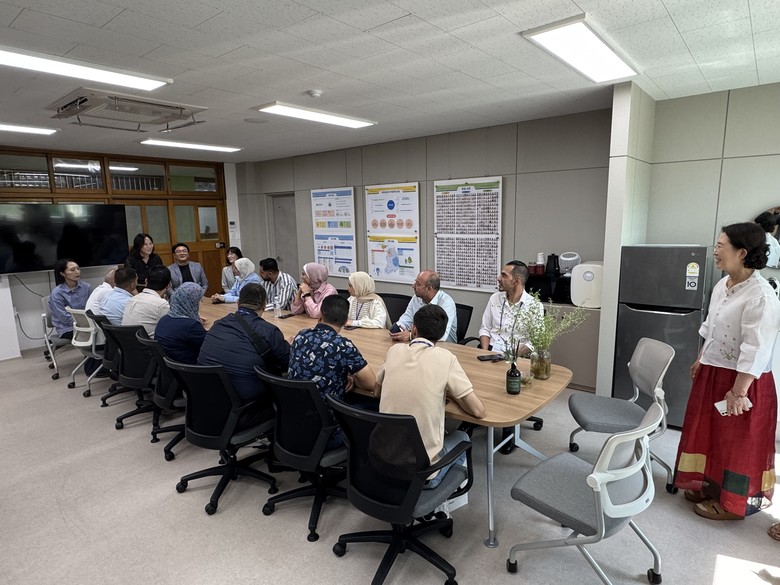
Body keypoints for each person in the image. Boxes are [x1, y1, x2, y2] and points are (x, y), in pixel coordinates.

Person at [674, 222, 780, 521]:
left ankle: (734, 503)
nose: (715, 251)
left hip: (743, 381)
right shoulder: (724, 284)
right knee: (710, 433)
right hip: (713, 371)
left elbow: (756, 349)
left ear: (742, 252)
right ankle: (709, 485)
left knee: (737, 442)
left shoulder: (761, 296)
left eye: (721, 246)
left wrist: (738, 392)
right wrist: (702, 358)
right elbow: (711, 327)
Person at [375, 304, 486, 489]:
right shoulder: (446, 358)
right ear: (441, 335)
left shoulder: (394, 351)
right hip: (422, 475)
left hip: (383, 462)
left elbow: (376, 392)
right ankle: (442, 500)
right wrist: (451, 394)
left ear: (414, 330)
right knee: (463, 437)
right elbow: (478, 411)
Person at [288, 295, 376, 447]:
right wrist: (349, 374)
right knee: (375, 407)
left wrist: (343, 372)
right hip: (328, 430)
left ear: (320, 316)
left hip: (294, 423)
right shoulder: (342, 346)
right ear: (345, 321)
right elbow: (371, 384)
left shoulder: (301, 336)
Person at [198, 283, 290, 429]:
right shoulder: (268, 331)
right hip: (246, 407)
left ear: (238, 303)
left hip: (208, 400)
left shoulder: (218, 324)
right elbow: (288, 363)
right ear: (264, 305)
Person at [478, 261, 542, 356]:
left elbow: (534, 341)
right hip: (491, 350)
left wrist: (510, 356)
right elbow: (485, 329)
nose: (499, 278)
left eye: (504, 275)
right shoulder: (495, 298)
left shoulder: (534, 305)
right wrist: (485, 353)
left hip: (517, 355)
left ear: (517, 281)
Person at [391, 270, 457, 343]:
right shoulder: (417, 298)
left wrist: (411, 336)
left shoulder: (446, 303)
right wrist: (398, 329)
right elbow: (407, 319)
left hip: (444, 346)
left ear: (429, 289)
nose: (413, 286)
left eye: (418, 284)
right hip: (419, 343)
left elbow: (442, 336)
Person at [155, 282, 207, 364]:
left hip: (169, 368)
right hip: (191, 369)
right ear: (192, 302)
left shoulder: (163, 319)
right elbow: (210, 346)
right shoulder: (191, 326)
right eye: (200, 300)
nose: (201, 303)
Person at [48, 258, 92, 340]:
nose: (77, 272)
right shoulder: (57, 293)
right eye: (72, 270)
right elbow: (63, 317)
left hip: (88, 324)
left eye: (78, 268)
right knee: (95, 334)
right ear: (62, 273)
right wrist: (84, 323)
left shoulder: (86, 287)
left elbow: (92, 307)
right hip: (67, 328)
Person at [122, 265, 171, 337]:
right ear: (169, 285)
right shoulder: (162, 305)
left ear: (146, 281)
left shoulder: (132, 299)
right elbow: (170, 331)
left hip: (126, 343)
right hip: (149, 343)